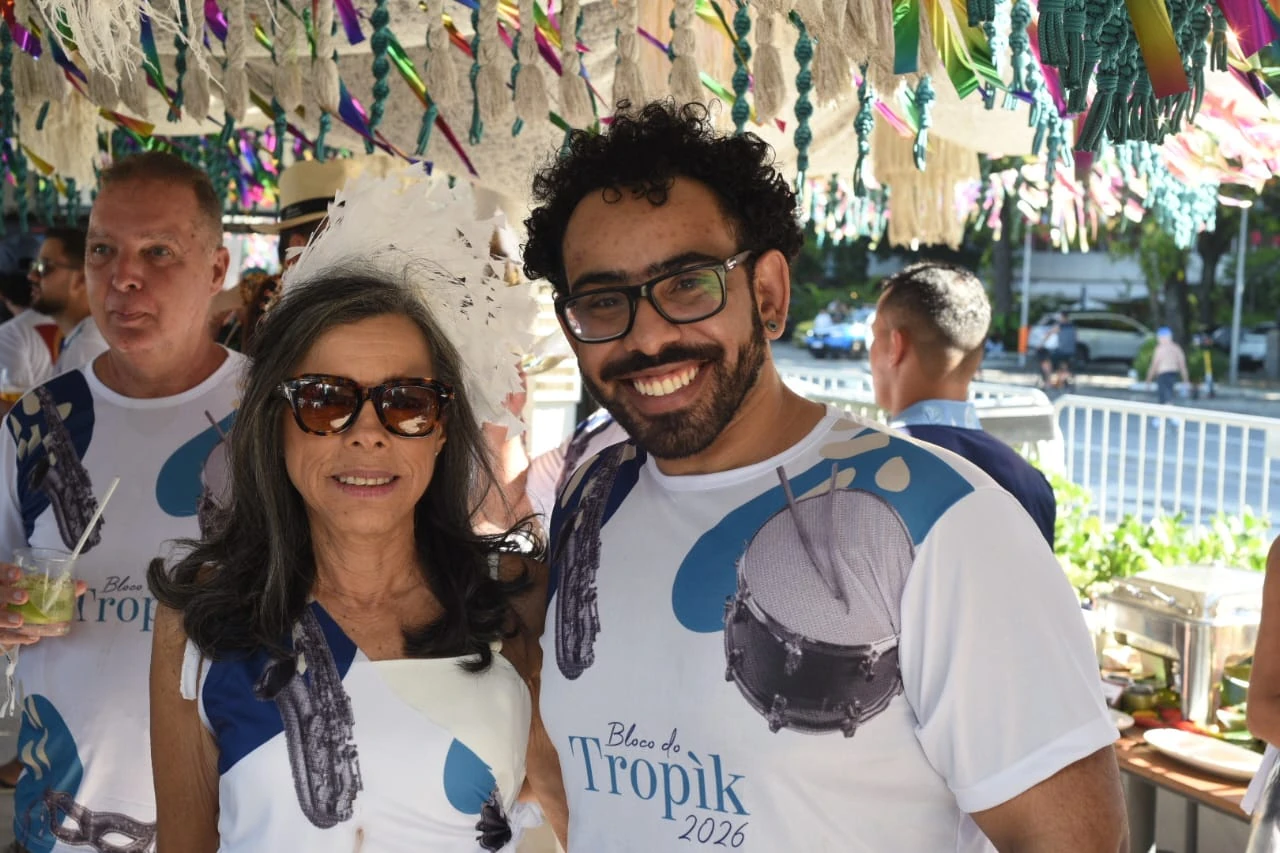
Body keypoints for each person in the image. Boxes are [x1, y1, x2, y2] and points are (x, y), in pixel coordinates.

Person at [520, 100, 1125, 851]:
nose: (647, 333)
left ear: (767, 295)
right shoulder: (590, 496)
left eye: (688, 283)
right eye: (604, 300)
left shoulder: (947, 524)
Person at [147, 167, 556, 851]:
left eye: (406, 402)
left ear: (443, 428)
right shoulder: (198, 616)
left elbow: (581, 820)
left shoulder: (517, 601)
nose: (367, 432)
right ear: (275, 422)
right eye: (326, 398)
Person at [0, 151, 244, 852]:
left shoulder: (272, 417)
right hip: (57, 824)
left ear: (217, 270)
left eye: (158, 251)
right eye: (104, 249)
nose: (123, 275)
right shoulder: (39, 422)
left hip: (232, 825)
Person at [869, 262, 1056, 547]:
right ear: (977, 355)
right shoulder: (1030, 483)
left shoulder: (871, 468)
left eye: (874, 336)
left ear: (896, 346)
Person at [214, 156, 393, 350]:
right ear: (298, 247)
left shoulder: (369, 301)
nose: (355, 249)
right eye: (339, 238)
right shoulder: (256, 293)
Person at [28, 226, 109, 374]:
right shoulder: (86, 337)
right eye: (35, 266)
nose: (32, 276)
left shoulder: (88, 346)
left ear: (81, 279)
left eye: (44, 267)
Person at [1146, 326, 1189, 406]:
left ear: (1163, 338)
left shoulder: (1160, 349)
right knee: (1169, 394)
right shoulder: (1176, 348)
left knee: (1164, 397)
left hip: (1163, 374)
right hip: (1173, 374)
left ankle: (1169, 416)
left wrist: (1148, 380)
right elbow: (1182, 366)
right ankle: (1165, 415)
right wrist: (1185, 381)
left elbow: (1154, 365)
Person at [1051, 311, 1077, 389]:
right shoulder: (1073, 326)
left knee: (1057, 366)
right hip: (1071, 350)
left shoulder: (1059, 326)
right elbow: (1076, 338)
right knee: (1065, 366)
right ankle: (1063, 381)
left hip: (1061, 350)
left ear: (1062, 317)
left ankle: (1059, 382)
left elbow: (1050, 334)